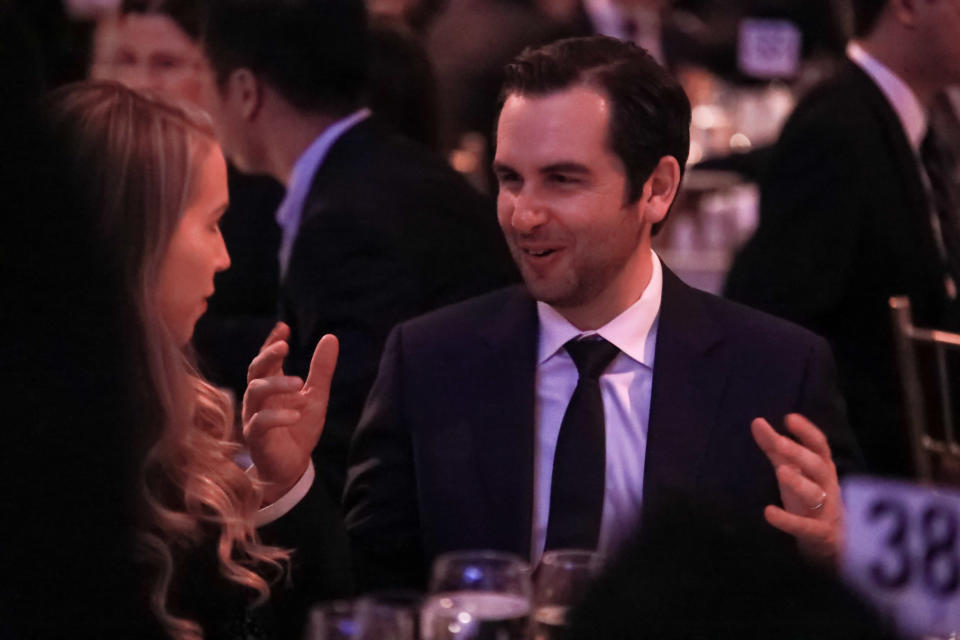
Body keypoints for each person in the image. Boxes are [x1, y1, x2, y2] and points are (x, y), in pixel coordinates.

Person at [342, 35, 862, 592]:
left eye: (562, 180)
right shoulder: (430, 362)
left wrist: (833, 558)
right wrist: (289, 487)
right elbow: (371, 587)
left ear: (657, 190)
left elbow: (846, 595)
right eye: (510, 179)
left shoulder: (776, 373)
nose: (523, 215)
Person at [43, 81, 351, 640]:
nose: (225, 256)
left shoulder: (164, 416)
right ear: (143, 238)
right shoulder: (60, 460)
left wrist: (282, 483)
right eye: (212, 224)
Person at [198, 0, 518, 499]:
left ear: (244, 92)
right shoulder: (376, 171)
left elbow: (345, 445)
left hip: (450, 518)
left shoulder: (350, 216)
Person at [724, 0, 960, 478]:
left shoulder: (917, 121)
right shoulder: (838, 126)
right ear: (909, 7)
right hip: (867, 475)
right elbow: (773, 318)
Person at [89, 0, 286, 401]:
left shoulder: (263, 193)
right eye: (125, 59)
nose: (141, 82)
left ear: (216, 77)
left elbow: (284, 332)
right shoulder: (75, 175)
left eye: (165, 64)